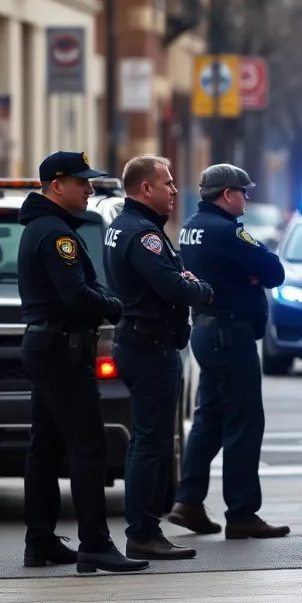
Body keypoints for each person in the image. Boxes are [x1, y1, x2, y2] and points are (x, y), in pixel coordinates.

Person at [16, 151, 148, 574]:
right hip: (63, 351)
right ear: (57, 186)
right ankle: (95, 543)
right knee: (88, 445)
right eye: (82, 182)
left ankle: (40, 543)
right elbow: (77, 296)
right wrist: (115, 305)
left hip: (46, 348)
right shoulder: (58, 235)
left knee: (47, 447)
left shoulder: (43, 227)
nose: (90, 190)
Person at [166, 164, 289, 540]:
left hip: (207, 331)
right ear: (226, 194)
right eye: (243, 192)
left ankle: (188, 500)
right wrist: (250, 275)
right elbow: (273, 271)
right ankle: (242, 512)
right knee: (244, 421)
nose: (246, 199)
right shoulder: (227, 231)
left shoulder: (191, 227)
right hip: (229, 334)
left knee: (211, 417)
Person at [103, 155, 214, 560]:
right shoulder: (142, 234)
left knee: (146, 442)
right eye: (166, 183)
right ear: (145, 188)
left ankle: (144, 529)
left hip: (141, 342)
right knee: (151, 444)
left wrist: (183, 281)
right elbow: (173, 287)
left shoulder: (125, 226)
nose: (173, 189)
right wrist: (200, 289)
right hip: (149, 346)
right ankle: (144, 532)